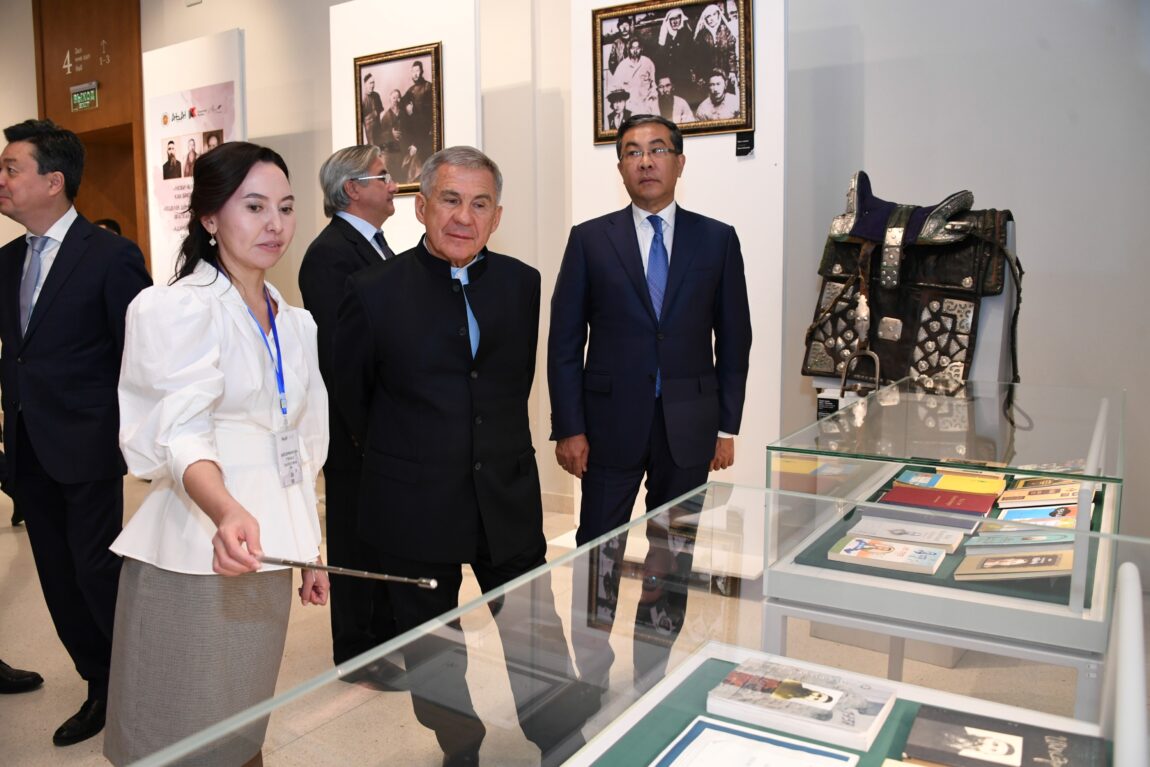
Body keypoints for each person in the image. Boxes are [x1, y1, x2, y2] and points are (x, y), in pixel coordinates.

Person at [333, 146, 591, 766]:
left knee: (534, 628)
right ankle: (460, 746)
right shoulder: (371, 291)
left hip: (505, 492)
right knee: (433, 645)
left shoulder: (522, 284)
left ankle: (561, 740)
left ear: (497, 217)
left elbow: (511, 385)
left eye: (480, 204)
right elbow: (352, 402)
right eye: (449, 200)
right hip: (414, 501)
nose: (463, 217)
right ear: (421, 207)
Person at [104, 141, 330, 766]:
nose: (274, 224)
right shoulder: (178, 307)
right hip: (197, 550)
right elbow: (181, 433)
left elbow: (300, 446)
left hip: (265, 548)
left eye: (285, 207)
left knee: (240, 727)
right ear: (209, 217)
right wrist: (226, 510)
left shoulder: (295, 322)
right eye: (254, 207)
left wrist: (309, 546)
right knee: (177, 731)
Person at [0, 119, 151, 747]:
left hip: (87, 448)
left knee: (95, 572)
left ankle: (128, 684)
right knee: (57, 576)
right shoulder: (8, 260)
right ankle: (98, 678)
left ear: (53, 181)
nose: (1, 179)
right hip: (27, 448)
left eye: (11, 168)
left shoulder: (110, 256)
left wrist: (132, 439)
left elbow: (141, 355)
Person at [548, 113, 751, 545]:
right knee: (598, 549)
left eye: (658, 149)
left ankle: (662, 597)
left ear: (680, 163)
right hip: (607, 426)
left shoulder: (717, 240)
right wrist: (569, 427)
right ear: (620, 167)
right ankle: (597, 600)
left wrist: (725, 428)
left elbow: (735, 339)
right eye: (632, 152)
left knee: (675, 550)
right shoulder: (589, 240)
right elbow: (564, 342)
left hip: (690, 425)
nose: (645, 161)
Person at [298, 145, 403, 686]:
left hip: (382, 423)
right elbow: (342, 354)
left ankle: (385, 635)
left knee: (383, 534)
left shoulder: (375, 244)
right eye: (383, 176)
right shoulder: (329, 255)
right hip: (354, 427)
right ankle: (357, 652)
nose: (394, 184)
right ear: (352, 189)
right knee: (355, 539)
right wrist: (364, 429)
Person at [611, 39, 658, 117]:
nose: (635, 51)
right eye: (632, 48)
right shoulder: (622, 66)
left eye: (637, 48)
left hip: (645, 105)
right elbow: (615, 87)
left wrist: (652, 101)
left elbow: (653, 85)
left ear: (641, 49)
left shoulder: (647, 62)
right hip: (629, 106)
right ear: (628, 49)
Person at [361, 73, 385, 149]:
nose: (372, 85)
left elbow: (381, 112)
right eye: (370, 83)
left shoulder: (376, 95)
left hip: (378, 131)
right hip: (369, 134)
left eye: (373, 83)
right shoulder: (362, 99)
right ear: (365, 84)